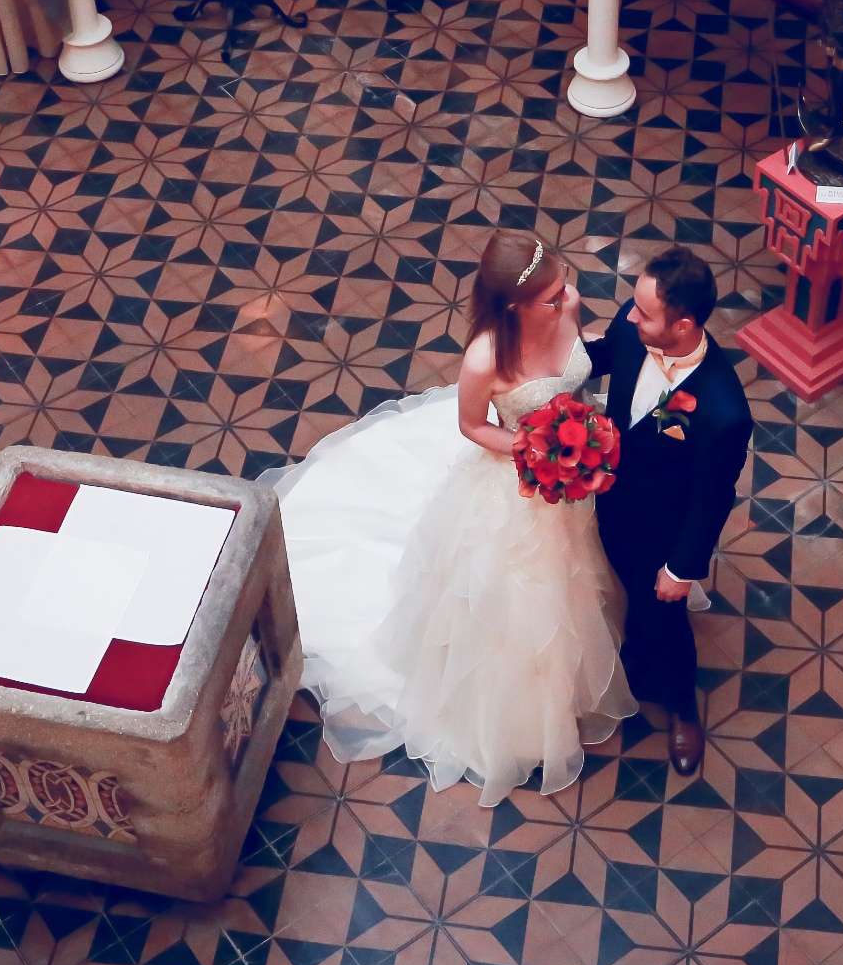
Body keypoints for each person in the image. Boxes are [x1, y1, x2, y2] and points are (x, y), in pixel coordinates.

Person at [263, 230, 635, 807]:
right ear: (513, 306)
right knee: (523, 596)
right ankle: (525, 709)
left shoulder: (570, 306)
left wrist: (583, 442)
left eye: (565, 287)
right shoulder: (486, 358)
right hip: (521, 484)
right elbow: (471, 425)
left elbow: (580, 365)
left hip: (579, 469)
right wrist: (530, 451)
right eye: (552, 297)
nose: (566, 299)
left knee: (588, 568)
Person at [585, 246, 754, 775]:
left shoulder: (723, 410)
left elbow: (713, 496)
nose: (629, 316)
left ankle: (682, 708)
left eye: (643, 313)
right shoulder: (633, 325)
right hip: (603, 497)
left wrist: (681, 568)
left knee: (663, 617)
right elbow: (604, 356)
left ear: (682, 325)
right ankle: (627, 654)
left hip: (660, 526)